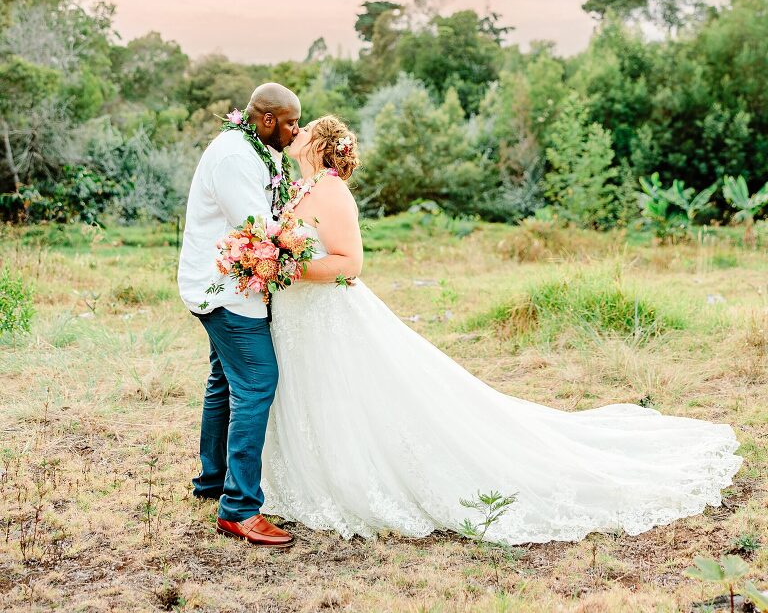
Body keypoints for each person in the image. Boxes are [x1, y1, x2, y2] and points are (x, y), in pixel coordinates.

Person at [260, 115, 742, 545]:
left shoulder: (331, 192)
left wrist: (286, 267)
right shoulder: (300, 188)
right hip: (303, 318)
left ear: (320, 148)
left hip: (329, 313)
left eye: (303, 129)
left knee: (360, 394)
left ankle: (359, 479)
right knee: (320, 394)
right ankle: (321, 475)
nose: (294, 133)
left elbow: (351, 263)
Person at [178, 82, 304, 547]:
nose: (296, 130)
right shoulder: (234, 156)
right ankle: (238, 509)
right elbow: (257, 227)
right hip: (226, 288)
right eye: (290, 122)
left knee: (225, 380)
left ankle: (212, 482)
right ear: (267, 119)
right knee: (257, 381)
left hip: (229, 282)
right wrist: (309, 235)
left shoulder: (256, 147)